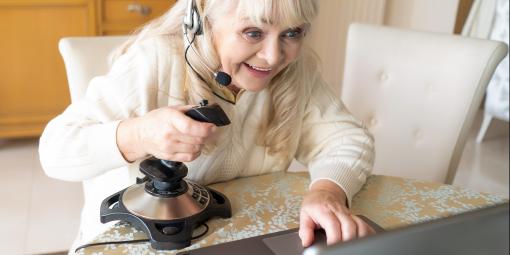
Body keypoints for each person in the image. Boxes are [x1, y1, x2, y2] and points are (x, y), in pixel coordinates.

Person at [39, 0, 375, 250]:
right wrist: (139, 134)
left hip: (242, 242)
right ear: (200, 19)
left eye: (291, 33)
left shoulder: (296, 74)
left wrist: (327, 191)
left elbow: (346, 139)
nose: (274, 56)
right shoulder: (153, 60)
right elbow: (55, 151)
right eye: (253, 32)